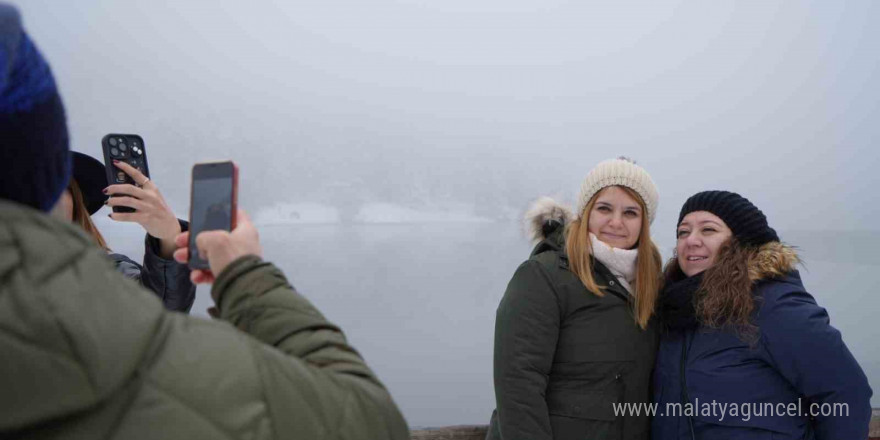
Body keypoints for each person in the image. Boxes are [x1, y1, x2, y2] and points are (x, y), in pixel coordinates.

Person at [0, 6, 409, 439]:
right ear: (45, 188)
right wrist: (246, 276)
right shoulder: (170, 373)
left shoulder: (105, 273)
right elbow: (367, 422)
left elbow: (152, 312)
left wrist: (165, 239)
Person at [653, 190, 873, 440]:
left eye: (708, 230)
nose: (691, 240)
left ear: (742, 242)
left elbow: (844, 391)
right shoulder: (672, 311)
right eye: (683, 232)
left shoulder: (772, 305)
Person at [486, 157, 664, 440]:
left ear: (644, 222)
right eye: (604, 208)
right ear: (586, 212)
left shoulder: (649, 285)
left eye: (630, 213)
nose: (616, 222)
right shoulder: (544, 277)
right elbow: (519, 385)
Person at [52, 151, 196, 312]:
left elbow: (157, 315)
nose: (36, 197)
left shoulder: (105, 276)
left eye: (50, 185)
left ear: (76, 204)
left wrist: (169, 239)